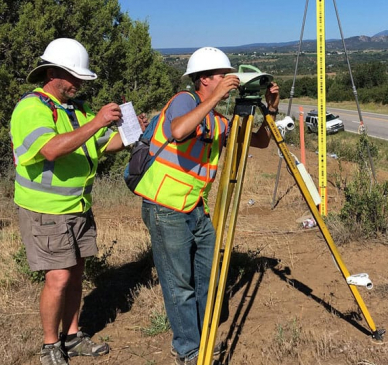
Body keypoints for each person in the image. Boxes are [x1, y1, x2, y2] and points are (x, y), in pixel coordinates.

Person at [135, 47, 279, 365]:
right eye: (221, 75)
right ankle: (188, 350)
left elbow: (259, 141)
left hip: (195, 208)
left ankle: (202, 331)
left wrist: (270, 107)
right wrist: (216, 98)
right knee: (179, 282)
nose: (228, 80)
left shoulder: (215, 119)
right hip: (164, 208)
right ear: (203, 79)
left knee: (209, 272)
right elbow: (179, 130)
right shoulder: (184, 101)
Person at [10, 38, 141, 364]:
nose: (79, 84)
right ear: (52, 72)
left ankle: (71, 336)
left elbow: (97, 145)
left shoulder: (76, 109)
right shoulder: (31, 108)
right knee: (58, 278)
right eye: (74, 77)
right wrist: (97, 121)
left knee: (76, 273)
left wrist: (130, 135)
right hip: (46, 211)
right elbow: (51, 148)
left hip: (78, 207)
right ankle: (50, 344)